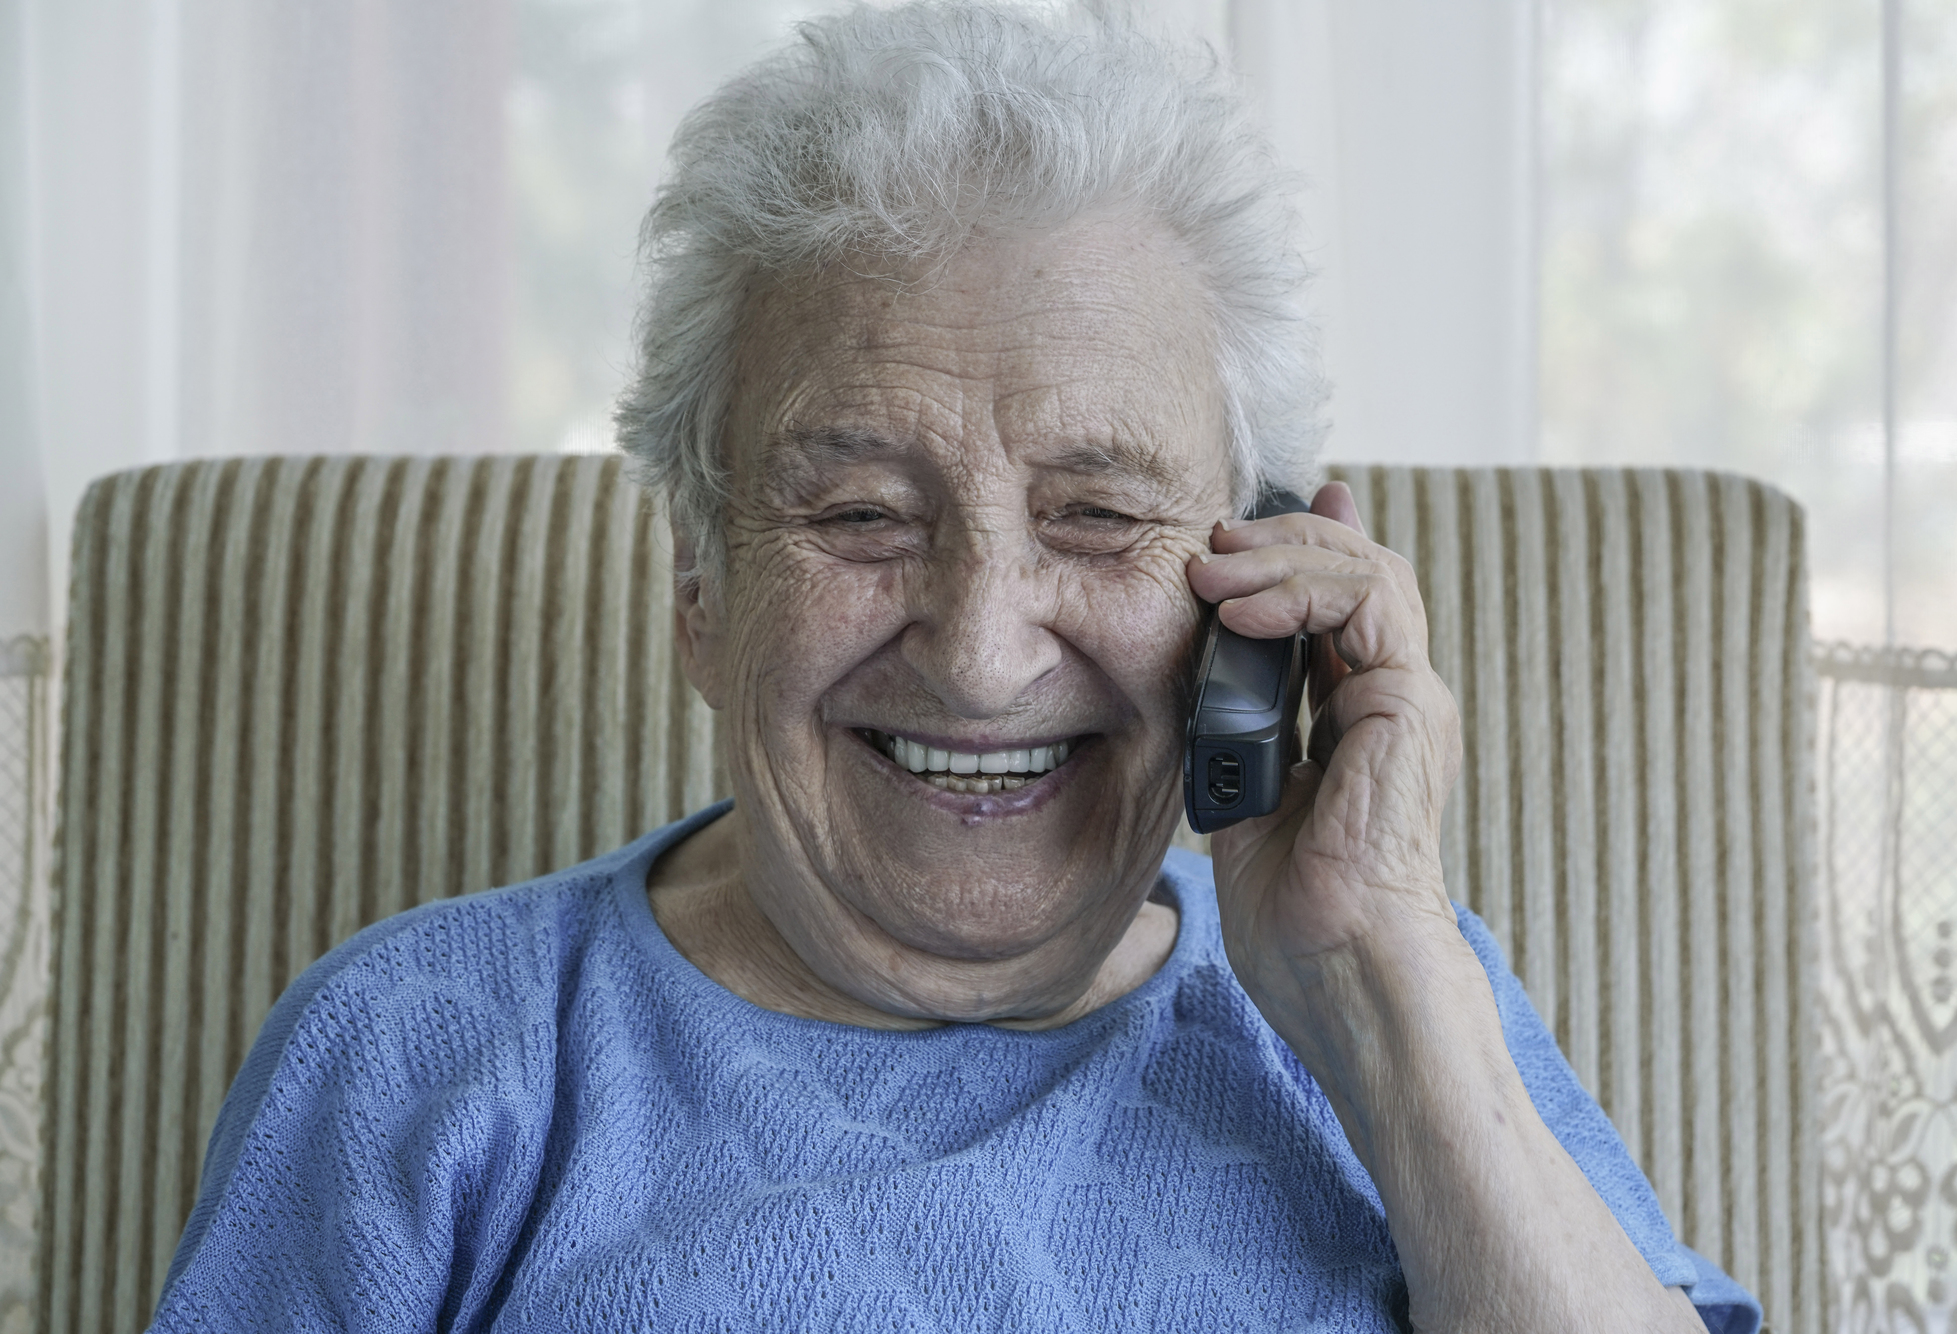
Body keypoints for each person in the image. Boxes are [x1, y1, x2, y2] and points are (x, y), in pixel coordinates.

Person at [151, 4, 1759, 1331]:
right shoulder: (423, 1048)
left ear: (1255, 587)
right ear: (701, 588)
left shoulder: (1399, 993)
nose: (985, 658)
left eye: (1100, 514)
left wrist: (1387, 995)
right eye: (857, 511)